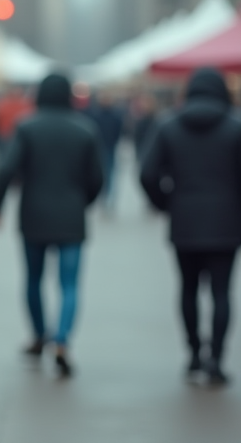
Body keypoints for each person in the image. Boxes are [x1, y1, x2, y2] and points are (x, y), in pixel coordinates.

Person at [0, 73, 103, 377]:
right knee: (69, 284)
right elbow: (97, 179)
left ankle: (39, 335)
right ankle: (63, 340)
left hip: (34, 214)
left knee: (33, 280)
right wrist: (83, 202)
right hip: (71, 216)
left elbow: (6, 169)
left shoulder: (27, 127)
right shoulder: (85, 130)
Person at [139, 68, 241, 386]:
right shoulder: (236, 127)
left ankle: (194, 352)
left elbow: (147, 173)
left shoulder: (169, 126)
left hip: (183, 220)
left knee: (188, 289)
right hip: (227, 222)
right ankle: (217, 358)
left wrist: (166, 203)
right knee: (222, 292)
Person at [84, 91, 125, 210]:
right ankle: (104, 198)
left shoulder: (112, 115)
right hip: (100, 148)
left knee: (110, 174)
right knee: (102, 173)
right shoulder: (96, 115)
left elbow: (119, 130)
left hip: (110, 147)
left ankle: (109, 199)